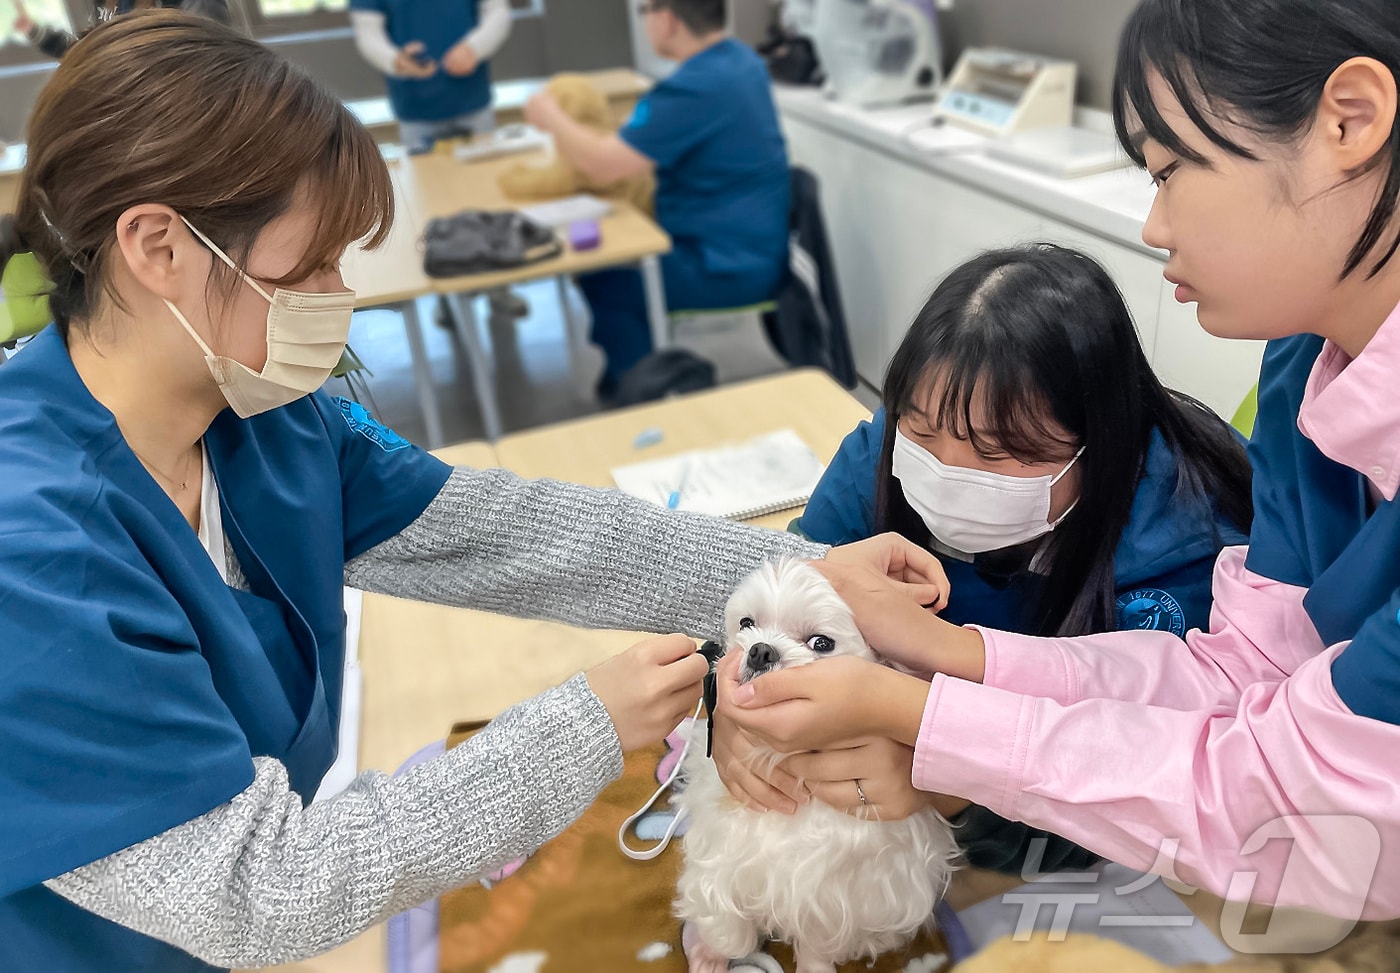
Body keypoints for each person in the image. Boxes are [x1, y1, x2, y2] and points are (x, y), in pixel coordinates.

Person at [0, 14, 947, 971]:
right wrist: (581, 726)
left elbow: (509, 535)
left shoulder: (270, 419)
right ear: (158, 246)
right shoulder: (33, 553)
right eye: (313, 262)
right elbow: (253, 890)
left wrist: (806, 572)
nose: (340, 295)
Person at [720, 0, 1400, 921]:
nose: (1154, 227)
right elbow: (1240, 674)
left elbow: (1284, 801)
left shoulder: (1189, 506)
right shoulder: (1302, 366)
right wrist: (945, 652)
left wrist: (921, 722)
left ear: (1349, 120)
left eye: (1172, 170)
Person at [713, 243, 1252, 877]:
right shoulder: (876, 459)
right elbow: (765, 605)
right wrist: (725, 704)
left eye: (997, 455)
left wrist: (950, 790)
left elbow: (1158, 788)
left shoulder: (1188, 544)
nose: (947, 470)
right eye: (920, 431)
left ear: (1102, 444)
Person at [523, 0, 790, 401]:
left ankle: (639, 396)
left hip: (724, 265)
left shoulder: (697, 85)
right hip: (747, 246)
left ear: (666, 19)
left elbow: (604, 165)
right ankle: (633, 375)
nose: (645, 21)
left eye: (643, 11)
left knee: (607, 277)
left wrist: (550, 116)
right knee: (609, 255)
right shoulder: (740, 61)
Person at [10, 0, 227, 58]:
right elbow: (90, 52)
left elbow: (203, 61)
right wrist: (36, 32)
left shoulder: (197, 5)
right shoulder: (108, 4)